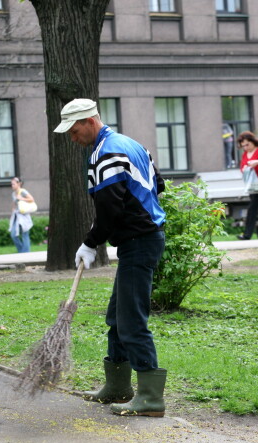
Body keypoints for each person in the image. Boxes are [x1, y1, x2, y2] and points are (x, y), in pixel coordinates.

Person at [54, 98, 167, 417]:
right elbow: (156, 183)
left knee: (131, 320)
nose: (73, 139)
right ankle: (118, 387)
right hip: (141, 238)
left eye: (74, 132)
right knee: (117, 317)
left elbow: (110, 210)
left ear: (90, 121)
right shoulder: (131, 144)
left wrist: (91, 243)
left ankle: (150, 397)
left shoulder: (107, 154)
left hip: (139, 241)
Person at [8, 177, 35, 253]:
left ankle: (25, 252)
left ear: (19, 184)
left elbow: (32, 199)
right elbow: (14, 204)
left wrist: (22, 198)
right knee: (13, 235)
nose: (12, 185)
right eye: (11, 184)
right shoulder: (13, 194)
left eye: (13, 184)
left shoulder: (23, 191)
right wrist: (12, 211)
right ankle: (21, 251)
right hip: (16, 215)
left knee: (25, 234)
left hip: (24, 215)